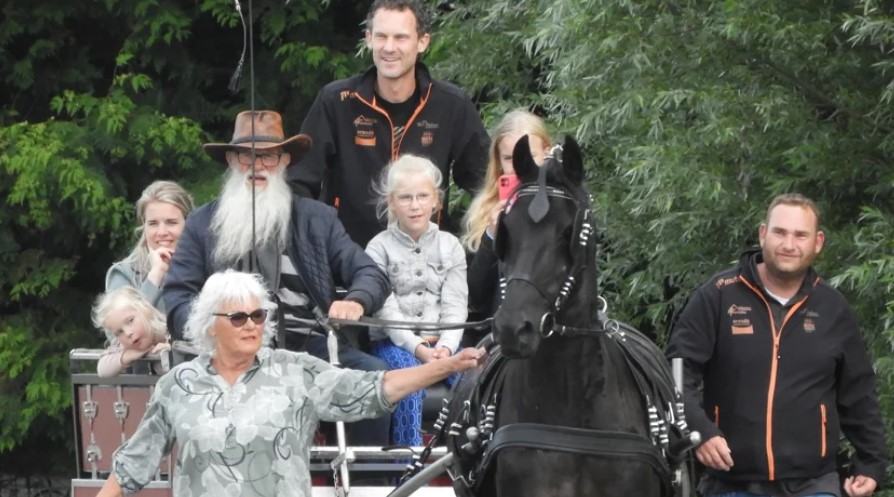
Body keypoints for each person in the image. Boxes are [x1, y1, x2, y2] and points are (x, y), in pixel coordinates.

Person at [96, 270, 483, 497]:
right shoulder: (177, 384)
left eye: (258, 315)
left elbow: (373, 389)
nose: (251, 324)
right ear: (210, 325)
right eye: (238, 317)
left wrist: (442, 367)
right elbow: (133, 463)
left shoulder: (295, 371)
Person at [162, 109, 393, 446]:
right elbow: (178, 298)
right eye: (246, 156)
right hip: (231, 352)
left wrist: (356, 301)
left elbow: (370, 272)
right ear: (231, 160)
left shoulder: (318, 218)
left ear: (285, 160)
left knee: (374, 378)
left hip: (311, 346)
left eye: (268, 157)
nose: (257, 166)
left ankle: (369, 481)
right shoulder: (201, 224)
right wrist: (217, 329)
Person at [665, 194, 887, 497]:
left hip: (813, 484)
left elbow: (858, 392)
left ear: (817, 242)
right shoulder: (717, 296)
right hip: (730, 482)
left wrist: (871, 464)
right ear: (762, 234)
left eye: (800, 235)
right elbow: (675, 373)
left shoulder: (833, 308)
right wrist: (700, 432)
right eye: (780, 232)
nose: (789, 245)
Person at [288, 0, 490, 247]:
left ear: (422, 42)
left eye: (401, 38)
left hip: (427, 263)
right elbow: (298, 182)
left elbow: (486, 181)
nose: (389, 47)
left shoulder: (451, 105)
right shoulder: (337, 101)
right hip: (348, 260)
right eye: (381, 36)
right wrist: (317, 241)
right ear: (369, 38)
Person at [365, 154, 467, 446]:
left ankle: (463, 463)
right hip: (394, 341)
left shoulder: (451, 245)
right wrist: (420, 349)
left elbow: (455, 305)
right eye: (406, 197)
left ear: (436, 200)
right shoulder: (378, 247)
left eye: (423, 196)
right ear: (392, 202)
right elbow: (386, 309)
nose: (415, 205)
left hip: (443, 340)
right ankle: (406, 467)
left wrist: (446, 348)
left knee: (473, 383)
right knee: (409, 384)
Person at [460, 110, 552, 323]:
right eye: (510, 158)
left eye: (530, 156)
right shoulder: (483, 210)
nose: (521, 166)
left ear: (546, 153)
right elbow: (474, 295)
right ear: (498, 161)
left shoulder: (562, 206)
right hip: (498, 327)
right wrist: (491, 236)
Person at [106, 180, 194, 311]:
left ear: (189, 223)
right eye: (153, 223)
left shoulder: (206, 267)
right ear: (144, 226)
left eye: (171, 222)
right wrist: (155, 275)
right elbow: (118, 330)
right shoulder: (124, 273)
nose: (162, 232)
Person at [92, 287, 171, 377]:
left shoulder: (170, 330)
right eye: (119, 332)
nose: (128, 333)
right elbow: (102, 369)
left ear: (146, 310)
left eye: (130, 321)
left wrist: (172, 351)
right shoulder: (125, 347)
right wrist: (127, 356)